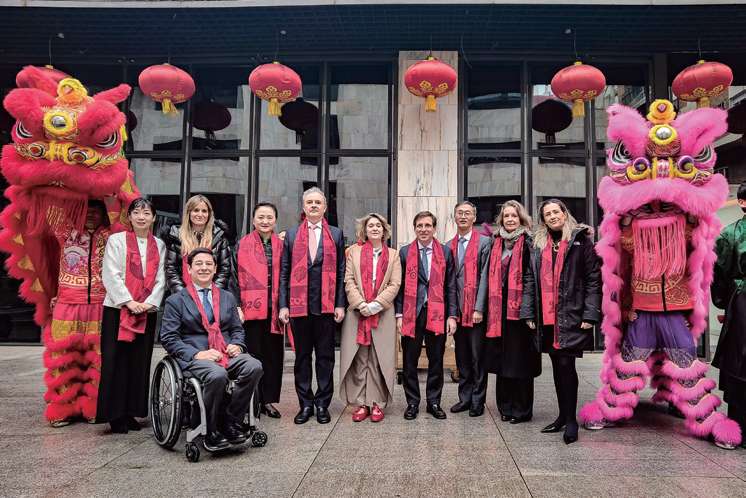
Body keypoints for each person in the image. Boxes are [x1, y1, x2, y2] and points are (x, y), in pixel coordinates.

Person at [160, 248, 263, 452]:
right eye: (198, 264)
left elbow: (236, 329)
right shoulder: (176, 301)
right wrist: (198, 354)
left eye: (209, 264)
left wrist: (237, 344)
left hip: (225, 352)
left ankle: (230, 420)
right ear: (189, 269)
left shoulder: (227, 297)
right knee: (217, 374)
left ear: (215, 268)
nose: (204, 268)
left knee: (254, 366)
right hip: (195, 356)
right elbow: (169, 338)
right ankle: (211, 428)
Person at [521, 199, 601, 444]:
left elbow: (593, 279)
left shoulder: (581, 241)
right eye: (548, 214)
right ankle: (562, 417)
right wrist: (528, 312)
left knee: (566, 365)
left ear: (564, 214)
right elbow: (530, 279)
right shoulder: (538, 244)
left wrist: (590, 314)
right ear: (543, 220)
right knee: (557, 367)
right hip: (546, 316)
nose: (553, 216)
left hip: (572, 314)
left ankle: (571, 421)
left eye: (556, 212)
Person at [97, 198, 166, 434]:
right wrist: (129, 301)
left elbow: (161, 278)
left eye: (146, 213)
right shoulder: (117, 241)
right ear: (129, 217)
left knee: (139, 362)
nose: (141, 217)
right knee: (116, 361)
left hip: (145, 311)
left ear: (153, 218)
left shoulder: (159, 244)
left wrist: (148, 303)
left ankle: (131, 411)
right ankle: (115, 414)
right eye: (136, 212)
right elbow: (111, 274)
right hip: (118, 310)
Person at [278, 187, 346, 425]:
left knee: (326, 358)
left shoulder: (336, 234)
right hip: (299, 308)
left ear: (325, 207)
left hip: (326, 307)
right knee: (302, 358)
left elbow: (341, 271)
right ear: (304, 206)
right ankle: (305, 404)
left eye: (318, 202)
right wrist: (283, 305)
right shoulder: (292, 235)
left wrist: (340, 304)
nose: (314, 206)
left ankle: (322, 404)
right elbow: (284, 272)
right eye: (310, 202)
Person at [395, 211, 458, 421]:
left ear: (434, 228)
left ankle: (434, 402)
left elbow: (451, 286)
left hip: (437, 314)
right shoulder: (404, 252)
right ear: (414, 228)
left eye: (427, 225)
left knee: (436, 360)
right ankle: (412, 402)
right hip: (411, 313)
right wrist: (399, 314)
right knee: (409, 361)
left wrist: (452, 315)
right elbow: (399, 287)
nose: (423, 229)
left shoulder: (446, 252)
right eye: (419, 226)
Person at [340, 213, 402, 423]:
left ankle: (376, 403)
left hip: (382, 313)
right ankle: (360, 403)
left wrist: (375, 305)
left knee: (378, 359)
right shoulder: (353, 252)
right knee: (359, 358)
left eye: (378, 226)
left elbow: (395, 283)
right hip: (357, 312)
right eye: (370, 226)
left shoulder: (393, 255)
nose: (374, 228)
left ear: (384, 230)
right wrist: (361, 304)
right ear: (364, 231)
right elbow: (348, 280)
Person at [485, 200, 540, 424]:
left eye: (514, 216)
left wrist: (528, 312)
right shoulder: (495, 243)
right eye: (506, 216)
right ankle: (505, 407)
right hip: (498, 312)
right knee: (502, 361)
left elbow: (532, 279)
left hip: (521, 313)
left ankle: (522, 410)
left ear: (521, 219)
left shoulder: (530, 243)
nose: (510, 219)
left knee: (520, 362)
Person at [233, 202, 285, 419]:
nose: (265, 221)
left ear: (275, 220)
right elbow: (234, 277)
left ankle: (268, 401)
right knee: (252, 356)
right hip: (250, 309)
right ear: (253, 220)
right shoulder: (242, 244)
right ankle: (251, 400)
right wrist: (237, 305)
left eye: (269, 217)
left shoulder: (282, 245)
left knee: (273, 356)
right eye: (260, 217)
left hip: (274, 309)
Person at [448, 201, 492, 417]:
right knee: (462, 357)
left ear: (474, 218)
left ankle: (477, 400)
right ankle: (464, 398)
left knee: (477, 358)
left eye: (467, 213)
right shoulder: (448, 245)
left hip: (475, 311)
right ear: (454, 217)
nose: (463, 216)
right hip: (457, 310)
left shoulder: (485, 242)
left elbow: (485, 277)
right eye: (460, 213)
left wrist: (479, 308)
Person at [712, 181, 746, 448]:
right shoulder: (729, 234)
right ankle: (738, 427)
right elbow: (719, 275)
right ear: (743, 203)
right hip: (742, 303)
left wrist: (725, 301)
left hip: (739, 301)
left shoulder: (729, 234)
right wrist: (727, 304)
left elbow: (720, 278)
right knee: (739, 363)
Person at [163, 194, 232, 294]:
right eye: (196, 210)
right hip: (183, 297)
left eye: (204, 211)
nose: (200, 214)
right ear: (188, 213)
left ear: (209, 214)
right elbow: (171, 270)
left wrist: (211, 294)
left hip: (212, 296)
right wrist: (184, 295)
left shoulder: (219, 237)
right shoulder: (176, 236)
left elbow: (224, 270)